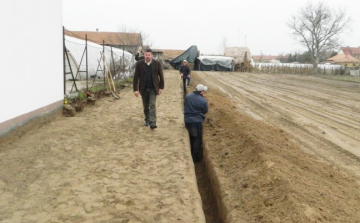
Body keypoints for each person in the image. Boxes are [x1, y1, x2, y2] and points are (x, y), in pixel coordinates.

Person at [133, 49, 165, 129]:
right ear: (144, 55)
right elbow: (136, 77)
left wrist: (161, 87)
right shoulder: (139, 64)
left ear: (152, 56)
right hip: (143, 88)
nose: (147, 56)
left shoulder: (157, 63)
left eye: (149, 55)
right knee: (146, 106)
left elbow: (161, 76)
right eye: (146, 55)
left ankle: (153, 122)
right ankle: (147, 119)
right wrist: (135, 89)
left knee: (152, 105)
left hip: (153, 88)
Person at [184, 84, 208, 162]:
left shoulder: (188, 96)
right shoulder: (203, 100)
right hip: (196, 122)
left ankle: (190, 152)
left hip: (187, 120)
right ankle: (195, 158)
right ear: (201, 91)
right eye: (203, 91)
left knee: (191, 137)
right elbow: (205, 111)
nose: (204, 92)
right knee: (196, 138)